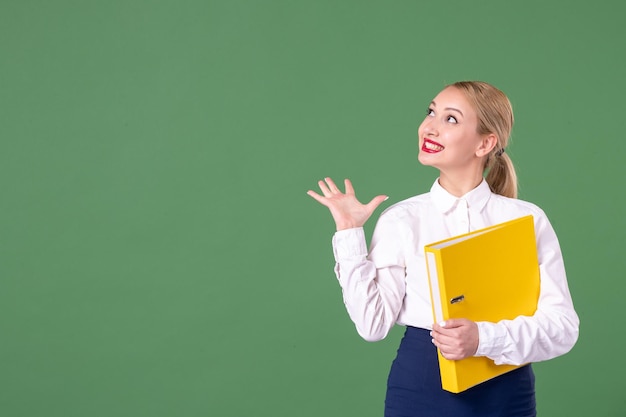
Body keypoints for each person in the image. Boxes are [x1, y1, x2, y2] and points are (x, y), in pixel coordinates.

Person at [307, 81, 579, 417]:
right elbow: (372, 325)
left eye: (451, 119)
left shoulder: (526, 220)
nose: (429, 127)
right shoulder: (402, 220)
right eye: (431, 112)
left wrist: (483, 339)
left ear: (486, 143)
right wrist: (349, 233)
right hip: (422, 387)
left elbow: (562, 328)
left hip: (507, 390)